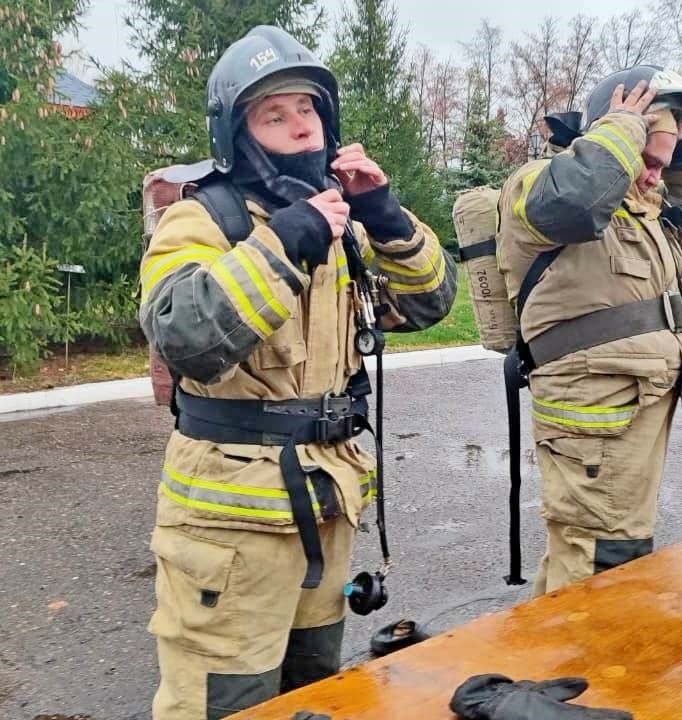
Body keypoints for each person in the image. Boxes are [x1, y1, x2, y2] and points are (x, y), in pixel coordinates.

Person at [138, 25, 455, 720]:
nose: (299, 127)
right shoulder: (202, 219)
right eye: (273, 114)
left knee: (313, 695)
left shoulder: (344, 221)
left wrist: (384, 213)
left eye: (307, 109)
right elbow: (184, 334)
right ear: (237, 134)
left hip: (325, 508)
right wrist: (285, 241)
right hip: (230, 529)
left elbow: (432, 300)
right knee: (225, 703)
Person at [497, 66, 682, 596]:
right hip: (593, 411)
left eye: (660, 167)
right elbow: (575, 200)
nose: (652, 177)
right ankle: (582, 670)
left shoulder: (646, 208)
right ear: (611, 134)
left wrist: (681, 155)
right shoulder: (540, 184)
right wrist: (623, 127)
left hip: (637, 402)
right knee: (601, 556)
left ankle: (563, 661)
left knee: (609, 551)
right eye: (646, 162)